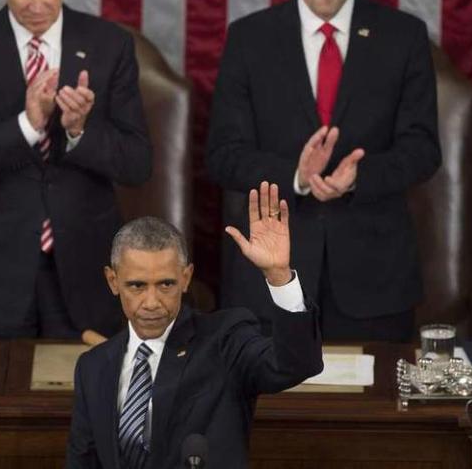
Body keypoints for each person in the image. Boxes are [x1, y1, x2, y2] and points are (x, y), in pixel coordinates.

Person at [206, 0, 441, 342]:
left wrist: (360, 176)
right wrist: (296, 176)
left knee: (373, 401)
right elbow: (223, 155)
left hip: (374, 280)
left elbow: (423, 149)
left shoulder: (404, 36)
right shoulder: (250, 38)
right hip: (272, 278)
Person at [0, 0, 151, 338]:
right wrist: (26, 126)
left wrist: (79, 131)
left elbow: (137, 164)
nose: (36, 4)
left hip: (85, 268)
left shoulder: (110, 44)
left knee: (87, 391)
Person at [66, 182, 323, 469]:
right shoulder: (93, 367)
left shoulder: (224, 340)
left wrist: (279, 276)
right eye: (137, 286)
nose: (151, 302)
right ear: (113, 281)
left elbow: (295, 365)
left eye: (166, 284)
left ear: (186, 277)